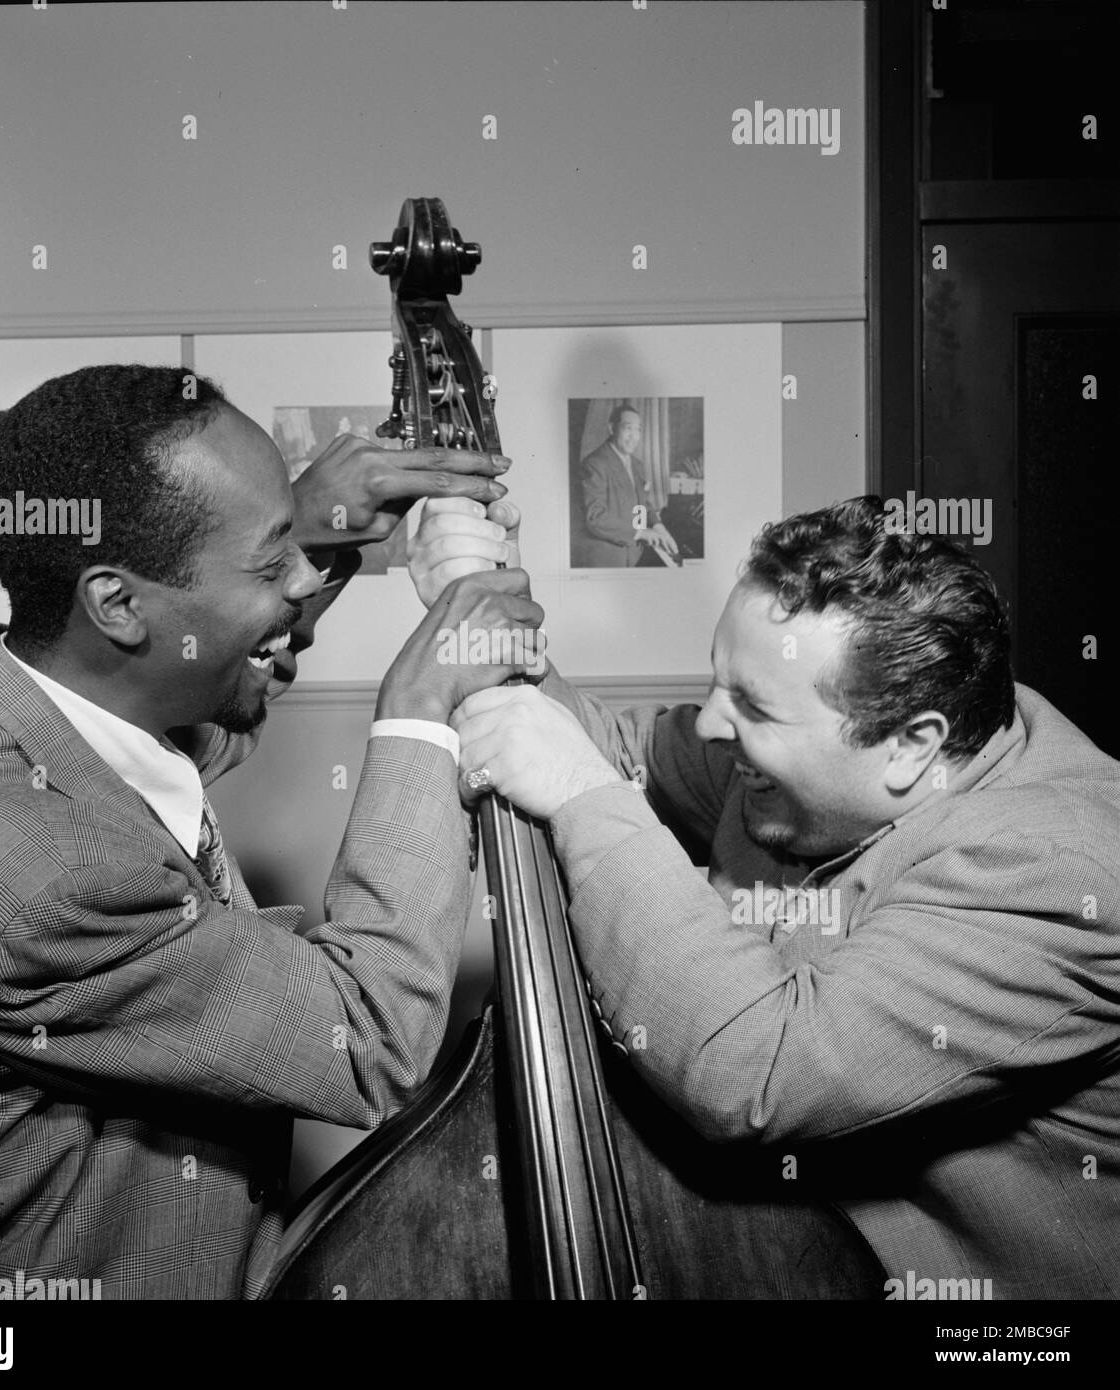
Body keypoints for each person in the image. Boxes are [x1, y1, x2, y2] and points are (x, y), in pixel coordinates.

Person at [0, 364, 538, 1300]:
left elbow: (202, 717)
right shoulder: (43, 877)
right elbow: (371, 1044)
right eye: (271, 566)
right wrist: (422, 700)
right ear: (119, 604)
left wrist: (310, 530)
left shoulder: (11, 703)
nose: (299, 582)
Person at [409, 494, 1120, 1299]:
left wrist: (578, 791)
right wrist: (483, 610)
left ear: (910, 745)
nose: (710, 724)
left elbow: (757, 1074)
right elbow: (616, 753)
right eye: (721, 684)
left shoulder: (1057, 871)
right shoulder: (795, 770)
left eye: (753, 707)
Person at [572, 404, 678, 567]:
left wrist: (659, 527)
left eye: (638, 430)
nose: (634, 436)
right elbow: (595, 517)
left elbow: (642, 505)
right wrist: (641, 532)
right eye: (628, 428)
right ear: (612, 428)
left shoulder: (637, 465)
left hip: (634, 554)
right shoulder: (594, 465)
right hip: (607, 559)